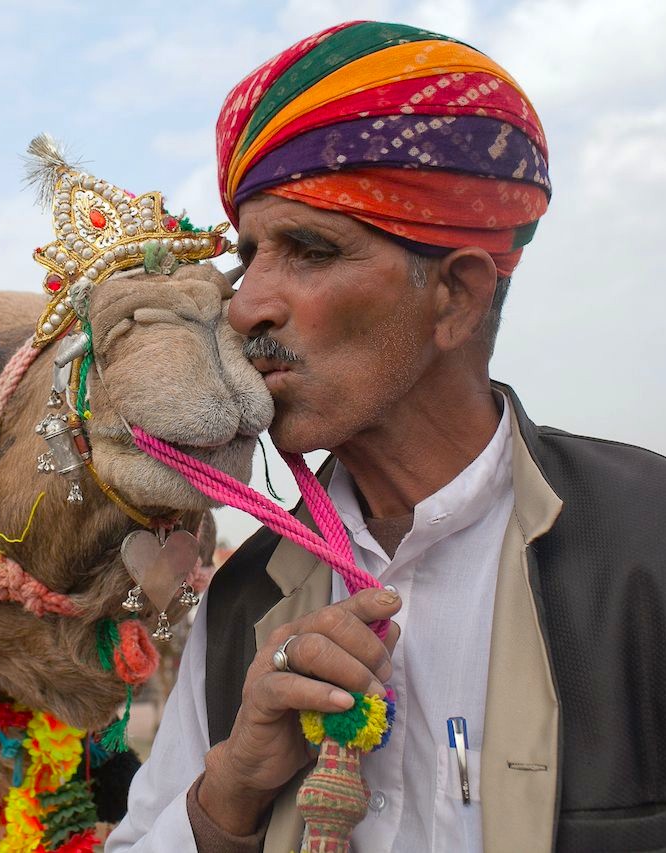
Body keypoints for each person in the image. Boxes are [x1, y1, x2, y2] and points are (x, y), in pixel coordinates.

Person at [107, 20, 666, 853]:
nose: (245, 305)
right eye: (251, 252)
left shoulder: (645, 543)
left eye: (308, 249)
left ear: (457, 297)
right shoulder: (245, 597)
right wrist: (230, 791)